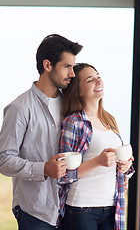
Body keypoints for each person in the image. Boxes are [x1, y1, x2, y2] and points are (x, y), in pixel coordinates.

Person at [0, 34, 83, 230]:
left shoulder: (70, 104)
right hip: (35, 212)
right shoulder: (20, 108)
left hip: (69, 209)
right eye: (67, 66)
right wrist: (42, 169)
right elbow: (1, 159)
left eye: (73, 67)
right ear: (48, 65)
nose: (72, 74)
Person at [58, 63, 134, 230]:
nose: (98, 81)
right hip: (81, 208)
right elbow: (62, 175)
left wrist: (126, 166)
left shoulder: (109, 120)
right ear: (78, 91)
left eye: (98, 76)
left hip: (111, 207)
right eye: (90, 80)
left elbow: (120, 170)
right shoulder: (74, 122)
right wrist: (98, 161)